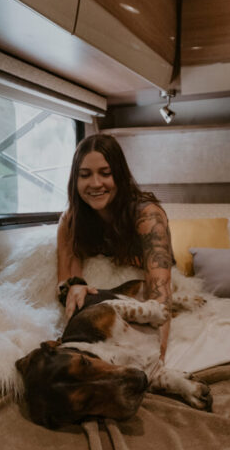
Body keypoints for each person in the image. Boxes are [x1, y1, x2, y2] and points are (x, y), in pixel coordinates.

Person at [57, 133, 174, 358]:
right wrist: (75, 287)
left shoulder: (148, 217)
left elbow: (160, 292)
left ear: (119, 175)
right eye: (85, 175)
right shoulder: (70, 220)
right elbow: (66, 279)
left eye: (105, 173)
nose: (95, 183)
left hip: (144, 291)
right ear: (75, 180)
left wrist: (156, 355)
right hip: (106, 298)